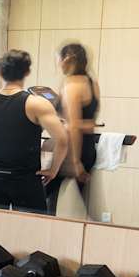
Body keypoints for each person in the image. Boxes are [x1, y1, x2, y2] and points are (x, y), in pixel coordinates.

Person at [0, 49, 69, 212]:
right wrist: (53, 170)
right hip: (26, 180)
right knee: (31, 227)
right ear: (27, 72)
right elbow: (62, 140)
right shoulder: (37, 104)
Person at [46, 42, 100, 214]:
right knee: (83, 206)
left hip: (72, 151)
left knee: (42, 198)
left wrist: (76, 162)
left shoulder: (72, 85)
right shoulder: (92, 83)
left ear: (66, 60)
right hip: (88, 148)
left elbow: (74, 125)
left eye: (58, 59)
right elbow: (88, 121)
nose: (57, 63)